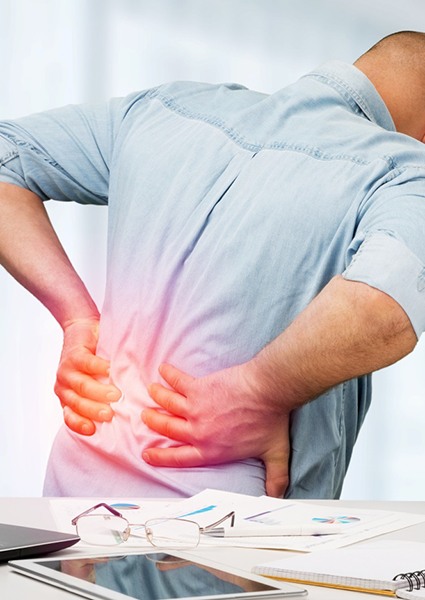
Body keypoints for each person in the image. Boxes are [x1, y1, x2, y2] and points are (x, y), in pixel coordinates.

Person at [1, 30, 425, 499]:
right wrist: (260, 389)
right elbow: (387, 304)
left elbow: (6, 159)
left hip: (74, 508)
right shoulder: (402, 171)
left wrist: (76, 315)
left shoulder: (166, 108)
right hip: (226, 532)